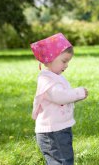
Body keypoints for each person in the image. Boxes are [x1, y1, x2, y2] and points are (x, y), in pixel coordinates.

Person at [31, 33, 88, 165]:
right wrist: (78, 93)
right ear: (50, 59)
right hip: (52, 132)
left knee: (64, 159)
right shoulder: (46, 79)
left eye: (68, 61)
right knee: (62, 161)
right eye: (64, 61)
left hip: (59, 129)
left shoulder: (54, 76)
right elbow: (60, 97)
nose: (66, 65)